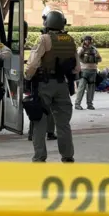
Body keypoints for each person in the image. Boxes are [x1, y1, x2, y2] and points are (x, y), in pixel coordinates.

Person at [25, 10, 80, 162]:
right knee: (63, 123)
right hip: (62, 84)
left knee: (39, 122)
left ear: (47, 23)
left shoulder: (44, 39)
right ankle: (68, 155)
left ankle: (40, 156)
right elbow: (77, 68)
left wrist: (27, 77)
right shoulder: (70, 40)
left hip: (44, 84)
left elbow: (33, 63)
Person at [75, 35, 101, 110]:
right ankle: (77, 104)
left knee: (91, 89)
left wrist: (96, 57)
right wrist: (82, 49)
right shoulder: (81, 49)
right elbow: (77, 57)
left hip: (93, 70)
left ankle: (90, 104)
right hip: (84, 70)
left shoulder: (94, 49)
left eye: (89, 40)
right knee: (81, 88)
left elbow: (99, 59)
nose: (88, 42)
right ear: (84, 41)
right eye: (86, 40)